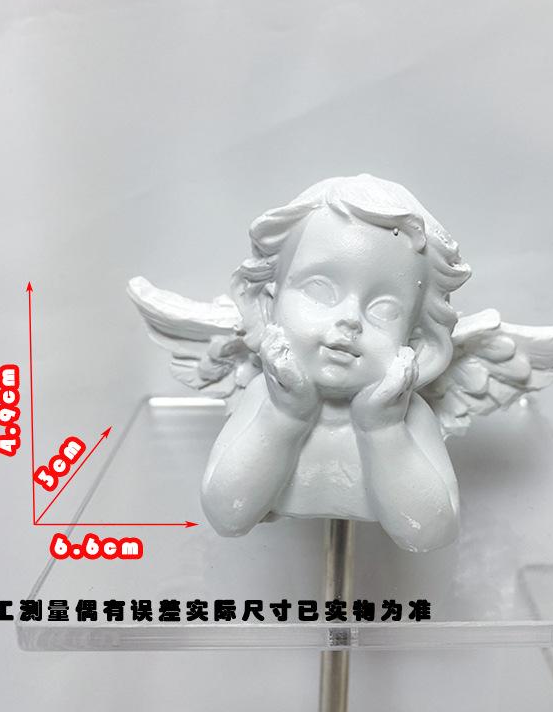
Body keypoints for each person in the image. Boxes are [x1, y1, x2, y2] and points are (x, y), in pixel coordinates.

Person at [201, 175, 471, 552]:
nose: (349, 319)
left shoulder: (406, 415)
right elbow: (227, 516)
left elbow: (430, 534)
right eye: (320, 289)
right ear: (268, 304)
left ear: (415, 342)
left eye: (383, 308)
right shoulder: (265, 397)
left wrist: (382, 429)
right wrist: (286, 417)